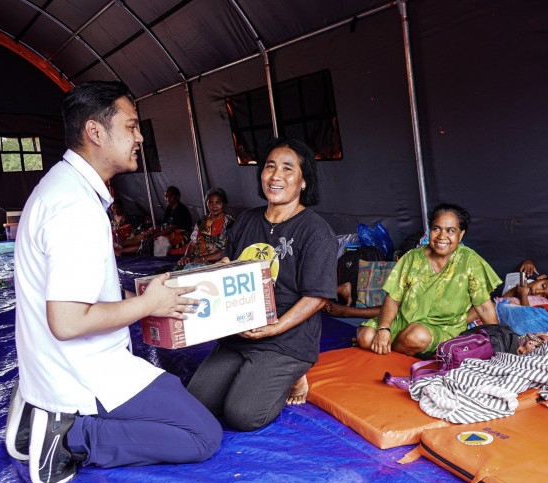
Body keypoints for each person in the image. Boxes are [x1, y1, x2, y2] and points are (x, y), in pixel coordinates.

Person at [5, 81, 221, 483]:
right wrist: (145, 305)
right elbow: (67, 322)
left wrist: (147, 300)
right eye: (132, 126)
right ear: (96, 132)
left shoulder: (62, 186)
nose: (140, 137)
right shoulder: (75, 209)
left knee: (173, 390)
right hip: (83, 372)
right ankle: (71, 437)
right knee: (202, 435)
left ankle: (38, 406)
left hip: (53, 365)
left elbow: (82, 294)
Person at [186, 138, 337, 431]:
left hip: (284, 340)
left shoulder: (316, 232)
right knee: (197, 402)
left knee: (243, 416)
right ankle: (256, 373)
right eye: (270, 167)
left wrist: (274, 327)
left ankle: (294, 373)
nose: (276, 176)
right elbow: (229, 267)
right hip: (240, 332)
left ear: (304, 181)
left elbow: (317, 297)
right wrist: (218, 271)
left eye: (288, 169)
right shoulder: (246, 220)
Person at [356, 204, 502, 356]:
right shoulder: (412, 257)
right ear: (429, 231)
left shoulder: (470, 261)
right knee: (366, 337)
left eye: (450, 230)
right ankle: (400, 346)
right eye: (436, 229)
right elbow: (393, 299)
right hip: (403, 320)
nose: (441, 236)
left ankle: (400, 346)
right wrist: (384, 329)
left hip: (442, 327)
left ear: (461, 235)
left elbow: (484, 307)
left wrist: (497, 339)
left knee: (416, 336)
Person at [177, 187, 235, 266]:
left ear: (224, 203)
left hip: (220, 262)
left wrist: (204, 259)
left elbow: (228, 249)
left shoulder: (230, 223)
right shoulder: (202, 222)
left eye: (218, 202)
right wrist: (187, 256)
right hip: (198, 260)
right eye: (210, 202)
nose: (214, 206)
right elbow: (193, 244)